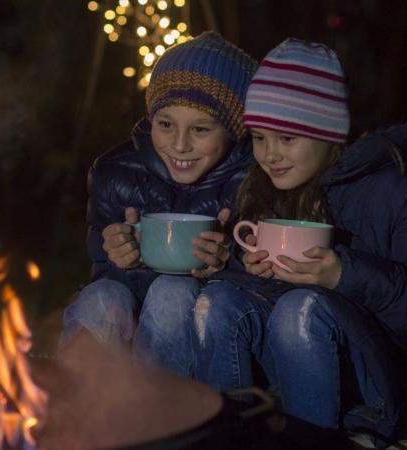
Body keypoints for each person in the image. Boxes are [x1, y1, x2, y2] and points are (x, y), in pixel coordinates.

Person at [192, 38, 407, 446]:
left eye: (287, 139)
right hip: (298, 355)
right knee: (216, 301)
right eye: (259, 138)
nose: (269, 155)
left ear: (330, 134)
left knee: (300, 309)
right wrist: (245, 269)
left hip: (392, 373)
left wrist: (343, 273)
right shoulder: (264, 186)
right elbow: (259, 294)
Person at [59, 32, 258, 376]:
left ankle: (160, 416)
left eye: (200, 130)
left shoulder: (252, 184)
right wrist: (120, 258)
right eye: (165, 125)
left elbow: (261, 295)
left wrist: (228, 264)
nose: (180, 145)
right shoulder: (115, 173)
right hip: (131, 320)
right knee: (101, 295)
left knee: (172, 291)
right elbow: (105, 274)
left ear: (234, 130)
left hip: (201, 341)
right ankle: (71, 411)